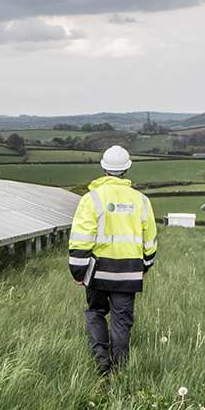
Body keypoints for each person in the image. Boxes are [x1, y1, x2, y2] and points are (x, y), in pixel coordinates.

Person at [67, 145, 157, 376]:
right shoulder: (141, 201)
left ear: (103, 168)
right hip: (129, 273)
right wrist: (145, 266)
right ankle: (120, 369)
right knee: (122, 320)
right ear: (127, 169)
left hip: (98, 272)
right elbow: (150, 241)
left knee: (96, 312)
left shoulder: (91, 199)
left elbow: (81, 239)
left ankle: (101, 363)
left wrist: (79, 272)